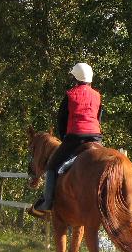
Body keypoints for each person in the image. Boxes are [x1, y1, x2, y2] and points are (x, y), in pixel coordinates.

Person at [29, 63, 102, 216]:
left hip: (75, 138)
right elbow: (99, 118)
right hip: (95, 138)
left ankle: (46, 203)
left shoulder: (70, 94)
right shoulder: (97, 95)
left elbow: (62, 119)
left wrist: (64, 138)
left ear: (75, 78)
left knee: (52, 166)